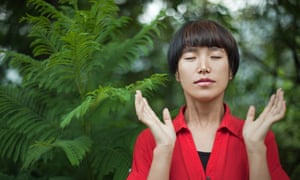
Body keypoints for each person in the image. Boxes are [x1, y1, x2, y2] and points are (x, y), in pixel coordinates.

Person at [127, 19, 289, 180]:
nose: (204, 67)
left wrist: (256, 149)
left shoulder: (259, 137)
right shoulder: (151, 140)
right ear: (177, 73)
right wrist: (163, 150)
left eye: (216, 57)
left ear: (230, 71)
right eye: (190, 58)